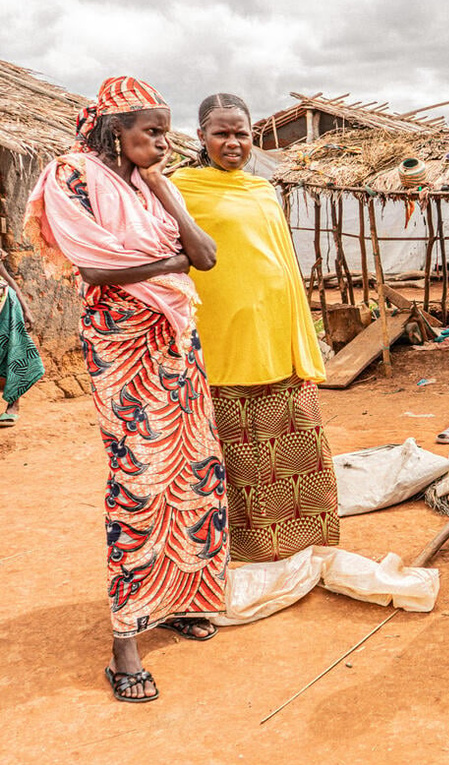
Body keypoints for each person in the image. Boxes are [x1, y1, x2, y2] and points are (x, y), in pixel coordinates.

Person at [25, 76, 226, 703]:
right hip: (123, 341)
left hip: (175, 341)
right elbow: (94, 267)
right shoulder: (71, 177)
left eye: (166, 132)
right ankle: (126, 639)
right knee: (138, 475)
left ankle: (183, 597)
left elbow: (207, 255)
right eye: (153, 132)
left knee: (192, 469)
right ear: (117, 130)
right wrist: (170, 265)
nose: (165, 142)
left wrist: (164, 187)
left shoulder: (150, 185)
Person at [173, 94, 340, 562]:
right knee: (238, 451)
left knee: (298, 441)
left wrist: (299, 330)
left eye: (241, 133)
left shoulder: (262, 189)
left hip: (275, 333)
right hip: (221, 338)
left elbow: (283, 262)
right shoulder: (180, 188)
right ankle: (248, 549)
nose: (232, 142)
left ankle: (303, 542)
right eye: (221, 133)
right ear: (201, 137)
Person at [0, 250, 45, 425]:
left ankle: (13, 406)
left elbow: (9, 280)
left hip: (7, 308)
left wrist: (26, 309)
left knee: (15, 353)